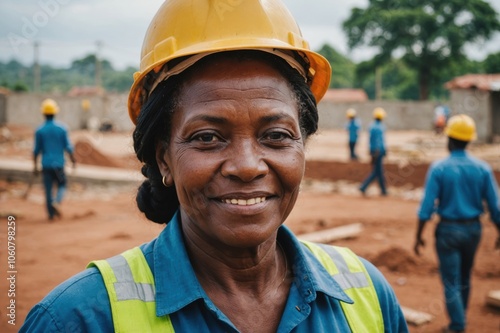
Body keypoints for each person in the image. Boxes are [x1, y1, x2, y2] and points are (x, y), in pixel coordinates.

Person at [20, 1, 408, 332]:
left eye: (276, 135)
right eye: (207, 137)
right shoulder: (77, 320)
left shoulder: (368, 298)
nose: (247, 166)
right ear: (163, 159)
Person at [414, 114, 500, 333]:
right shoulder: (482, 169)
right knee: (464, 275)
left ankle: (458, 324)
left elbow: (426, 208)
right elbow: (495, 207)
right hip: (473, 230)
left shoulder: (439, 168)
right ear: (469, 140)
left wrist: (418, 236)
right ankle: (461, 318)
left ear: (449, 140)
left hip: (448, 231)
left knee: (451, 279)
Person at [33, 98, 76, 220]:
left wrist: (35, 166)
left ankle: (51, 215)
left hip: (46, 164)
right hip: (59, 164)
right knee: (62, 184)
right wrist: (73, 161)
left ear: (43, 113)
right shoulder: (62, 129)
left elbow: (36, 151)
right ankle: (56, 201)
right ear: (55, 112)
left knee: (48, 190)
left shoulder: (39, 130)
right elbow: (68, 147)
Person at [359, 107, 387, 196]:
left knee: (378, 171)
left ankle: (383, 190)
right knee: (377, 171)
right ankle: (364, 186)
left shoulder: (371, 126)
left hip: (373, 151)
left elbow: (371, 140)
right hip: (378, 152)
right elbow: (380, 141)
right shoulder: (381, 127)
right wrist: (383, 150)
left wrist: (371, 151)